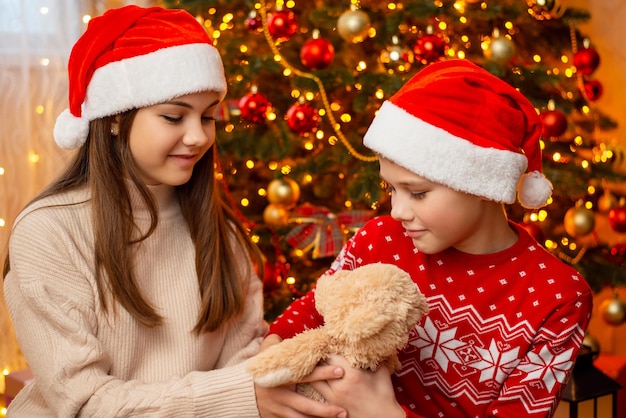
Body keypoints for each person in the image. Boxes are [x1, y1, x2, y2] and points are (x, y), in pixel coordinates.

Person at [2, 5, 347, 418]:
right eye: (173, 116)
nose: (198, 136)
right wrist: (238, 396)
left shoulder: (220, 231)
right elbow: (85, 403)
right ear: (113, 118)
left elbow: (244, 362)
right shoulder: (49, 232)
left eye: (207, 117)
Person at [263, 59, 594, 417]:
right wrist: (273, 348)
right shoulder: (379, 239)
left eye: (417, 193)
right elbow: (315, 308)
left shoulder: (558, 296)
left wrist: (381, 411)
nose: (397, 211)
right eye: (390, 188)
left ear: (481, 185)